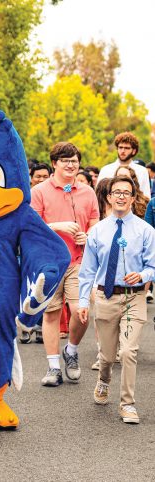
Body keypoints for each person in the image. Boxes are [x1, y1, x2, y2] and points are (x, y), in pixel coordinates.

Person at [78, 176, 155, 424]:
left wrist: (143, 274)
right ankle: (104, 379)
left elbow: (153, 265)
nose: (121, 196)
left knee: (129, 352)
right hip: (105, 297)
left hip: (134, 297)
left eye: (126, 192)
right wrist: (82, 302)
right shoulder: (97, 231)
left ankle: (128, 404)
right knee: (108, 355)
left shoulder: (146, 230)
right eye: (116, 192)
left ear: (133, 198)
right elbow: (87, 271)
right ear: (109, 197)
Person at [31, 142, 99, 387]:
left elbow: (94, 220)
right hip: (49, 262)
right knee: (51, 314)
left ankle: (71, 350)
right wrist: (58, 226)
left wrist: (88, 235)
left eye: (75, 160)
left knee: (81, 313)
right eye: (66, 160)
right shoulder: (39, 191)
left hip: (79, 260)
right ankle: (53, 367)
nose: (71, 165)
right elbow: (32, 226)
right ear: (54, 163)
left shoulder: (87, 192)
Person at [97, 132, 150, 198]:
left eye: (127, 148)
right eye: (120, 147)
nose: (123, 151)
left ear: (134, 151)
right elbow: (99, 195)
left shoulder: (142, 171)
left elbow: (146, 196)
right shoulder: (106, 170)